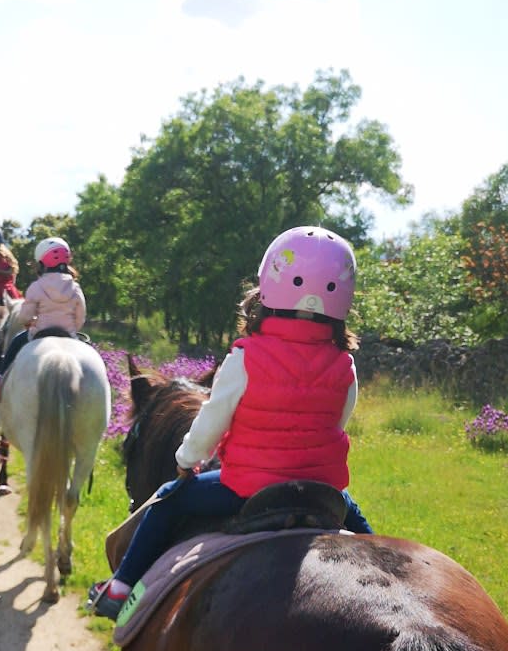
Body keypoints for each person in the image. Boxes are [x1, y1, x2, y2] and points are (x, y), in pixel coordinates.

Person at [87, 224, 374, 620]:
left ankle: (119, 589)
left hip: (246, 487)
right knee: (364, 531)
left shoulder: (246, 355)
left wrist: (188, 460)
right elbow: (337, 422)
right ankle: (383, 576)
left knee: (168, 501)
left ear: (270, 286)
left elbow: (213, 419)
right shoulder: (345, 364)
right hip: (319, 490)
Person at [0, 237, 87, 396]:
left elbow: (24, 318)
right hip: (69, 335)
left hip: (38, 336)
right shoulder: (75, 288)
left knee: (15, 342)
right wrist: (72, 328)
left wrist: (31, 322)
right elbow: (80, 318)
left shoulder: (36, 287)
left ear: (42, 263)